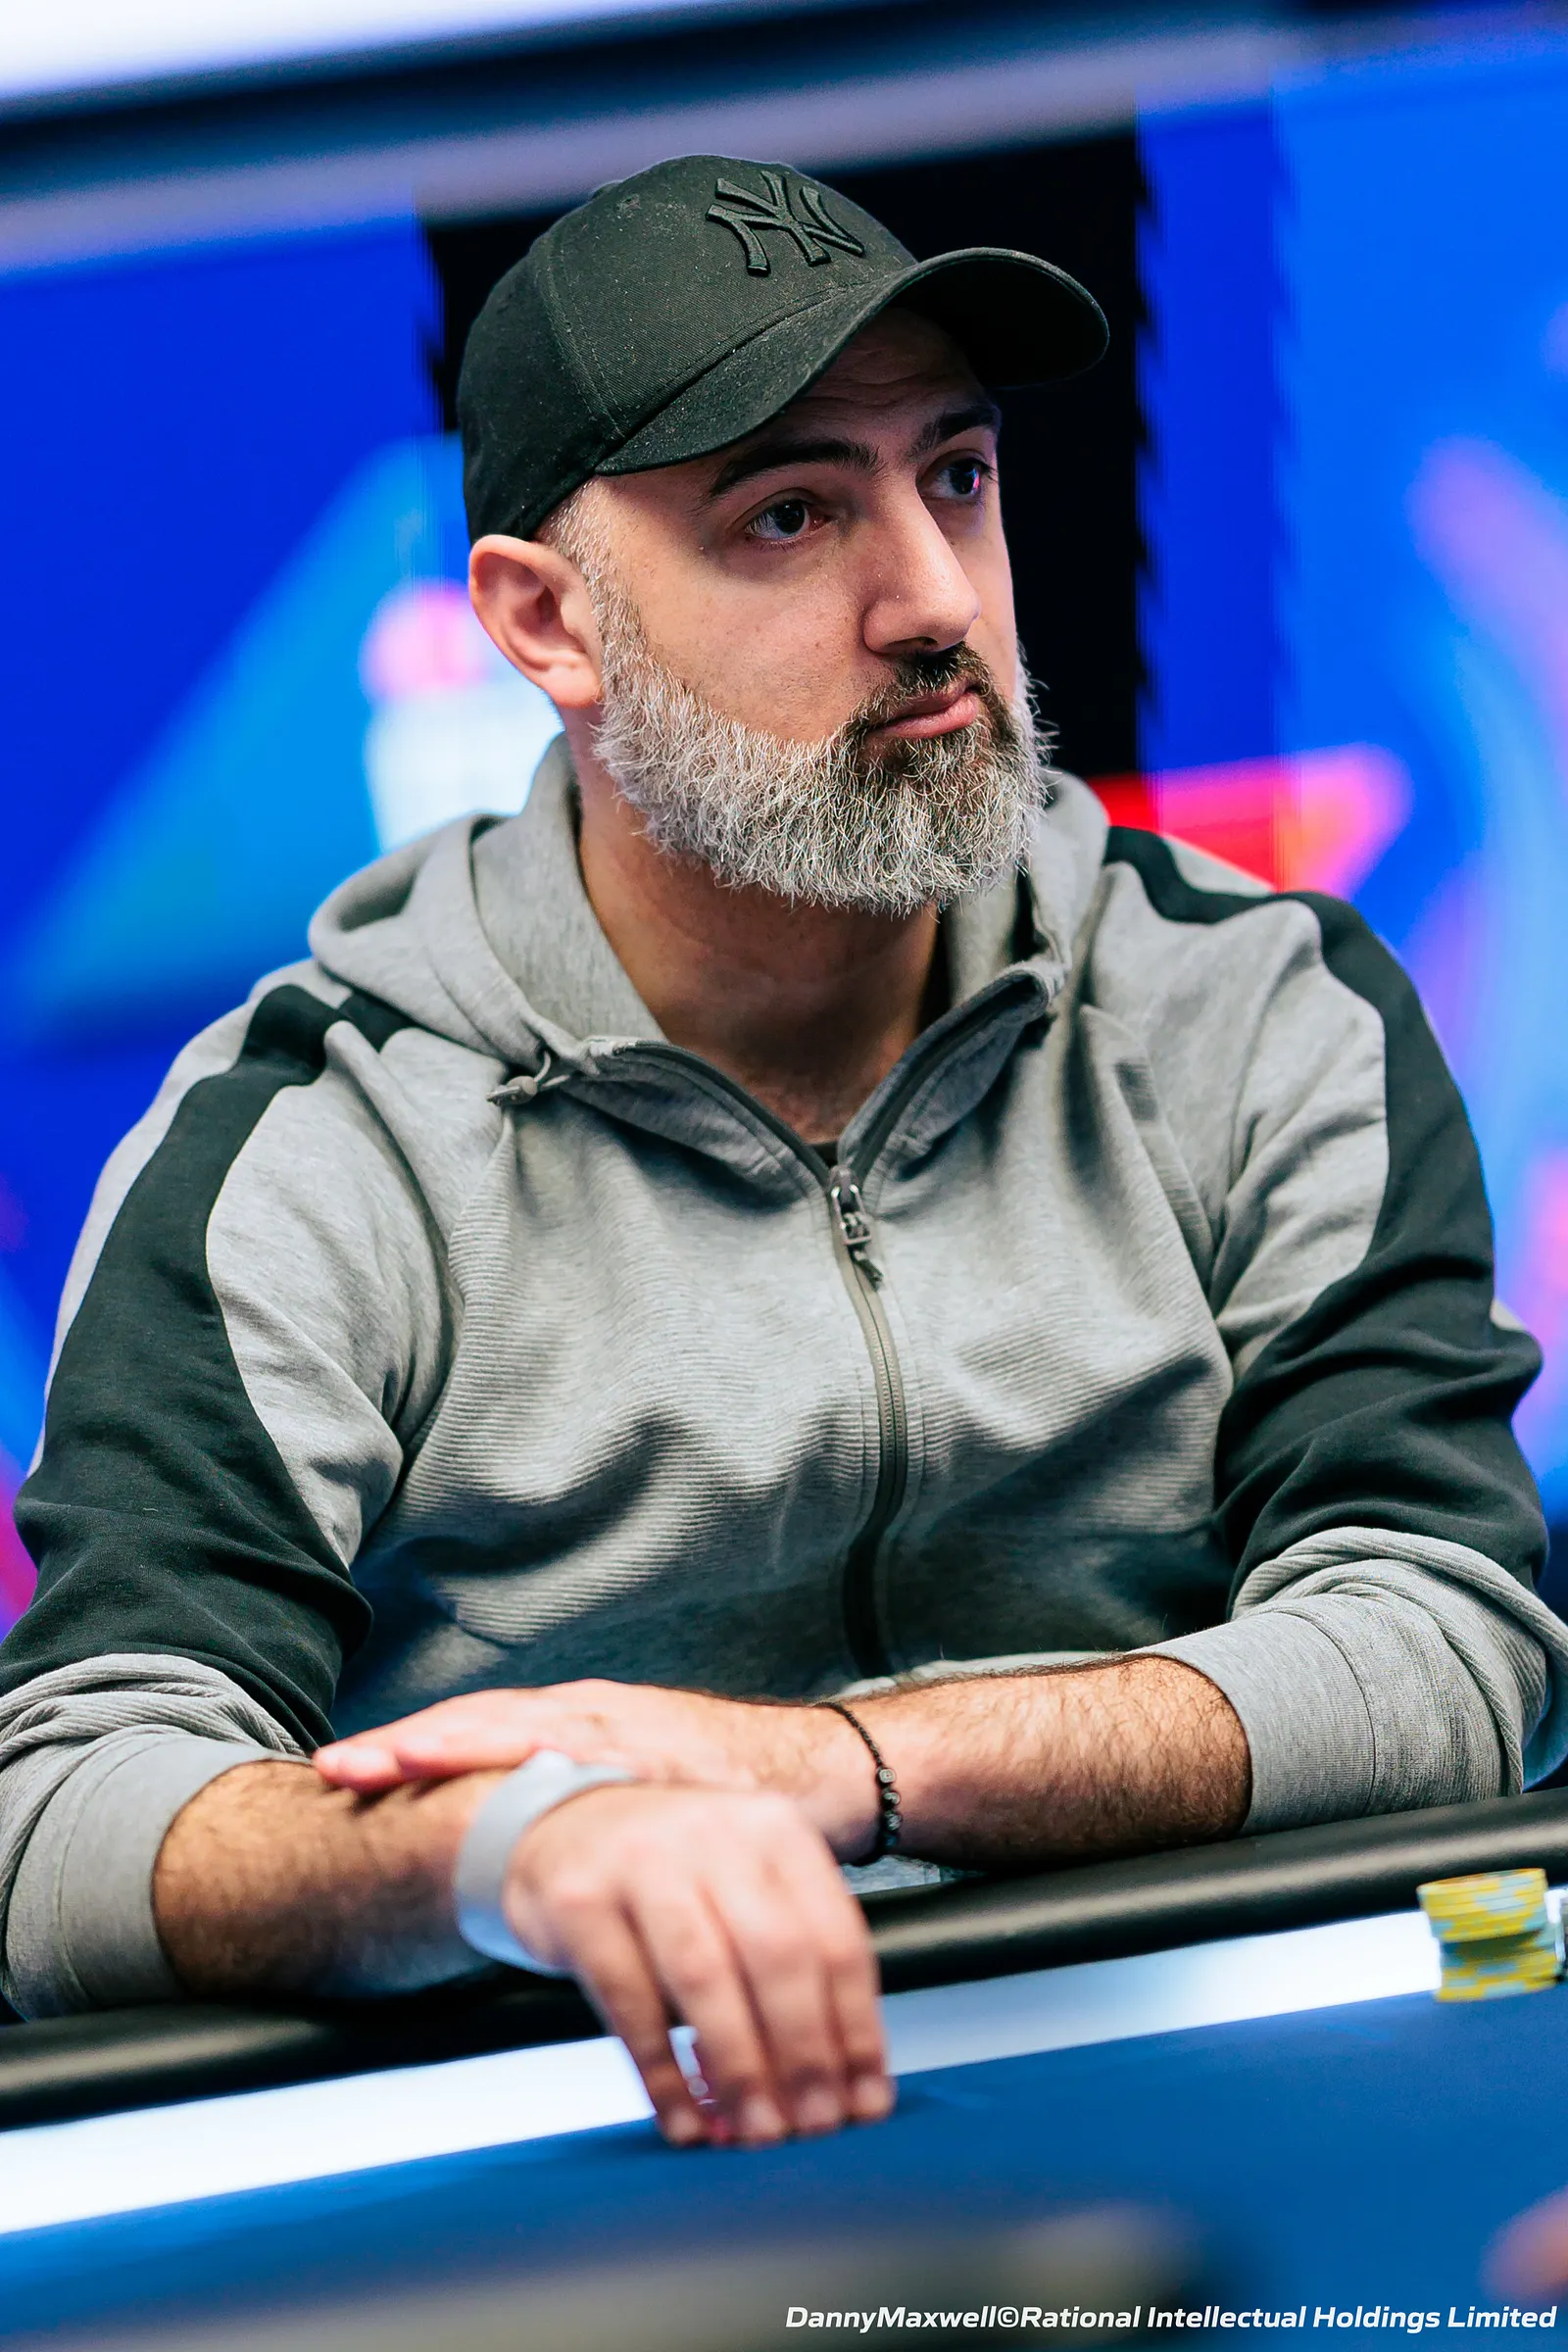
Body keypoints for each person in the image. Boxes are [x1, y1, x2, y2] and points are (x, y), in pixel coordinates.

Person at [1, 154, 1563, 2156]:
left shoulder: (1256, 1001)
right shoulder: (310, 1146)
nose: (934, 600)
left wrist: (833, 1770)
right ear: (546, 622)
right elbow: (69, 1827)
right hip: (605, 2181)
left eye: (956, 477)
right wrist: (515, 1852)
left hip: (1237, 2117)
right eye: (793, 513)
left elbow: (1448, 1650)